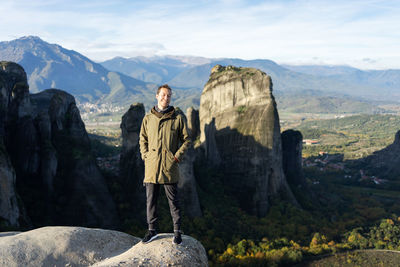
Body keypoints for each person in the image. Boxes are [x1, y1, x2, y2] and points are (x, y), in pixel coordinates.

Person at [139, 84, 191, 245]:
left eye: (168, 95)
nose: (165, 98)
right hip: (152, 166)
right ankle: (152, 231)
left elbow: (187, 140)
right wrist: (145, 155)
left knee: (173, 201)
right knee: (151, 201)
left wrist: (176, 157)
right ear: (157, 96)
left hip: (169, 167)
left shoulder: (177, 118)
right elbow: (143, 139)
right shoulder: (148, 118)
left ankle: (177, 232)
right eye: (163, 95)